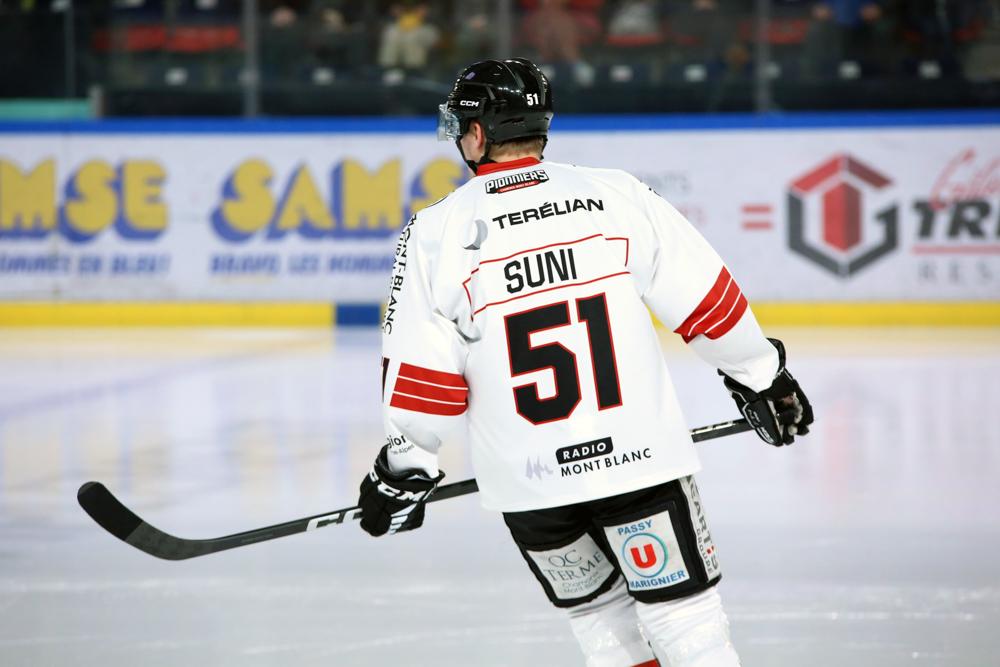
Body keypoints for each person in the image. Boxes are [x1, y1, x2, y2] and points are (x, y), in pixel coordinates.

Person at [357, 58, 814, 667]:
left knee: (601, 621)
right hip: (639, 460)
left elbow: (423, 373)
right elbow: (709, 302)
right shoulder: (614, 194)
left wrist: (405, 467)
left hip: (530, 483)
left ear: (478, 134)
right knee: (685, 620)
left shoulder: (436, 233)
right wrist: (762, 376)